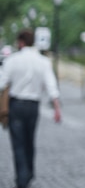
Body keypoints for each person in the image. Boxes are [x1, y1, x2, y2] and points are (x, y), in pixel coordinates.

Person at [0, 28, 61, 188]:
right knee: (29, 140)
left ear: (20, 42)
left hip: (16, 105)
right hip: (33, 106)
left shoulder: (12, 60)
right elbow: (51, 85)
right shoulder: (43, 61)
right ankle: (29, 173)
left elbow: (1, 82)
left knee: (18, 143)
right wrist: (57, 108)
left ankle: (22, 178)